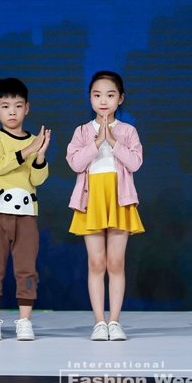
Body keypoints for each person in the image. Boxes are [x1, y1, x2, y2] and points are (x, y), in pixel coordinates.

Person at [67, 71, 144, 341]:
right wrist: (97, 141)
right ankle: (99, 322)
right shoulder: (82, 131)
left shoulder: (128, 131)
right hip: (91, 201)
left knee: (115, 262)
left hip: (119, 200)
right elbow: (75, 163)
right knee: (97, 263)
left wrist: (112, 141)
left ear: (120, 98)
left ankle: (115, 322)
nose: (103, 101)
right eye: (97, 95)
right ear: (90, 98)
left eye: (110, 95)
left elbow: (135, 163)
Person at [0, 78, 50, 341]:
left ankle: (24, 321)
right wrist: (30, 148)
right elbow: (0, 165)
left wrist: (40, 155)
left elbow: (37, 179)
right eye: (5, 106)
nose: (12, 112)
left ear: (27, 108)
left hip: (27, 215)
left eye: (18, 106)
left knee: (26, 269)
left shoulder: (35, 141)